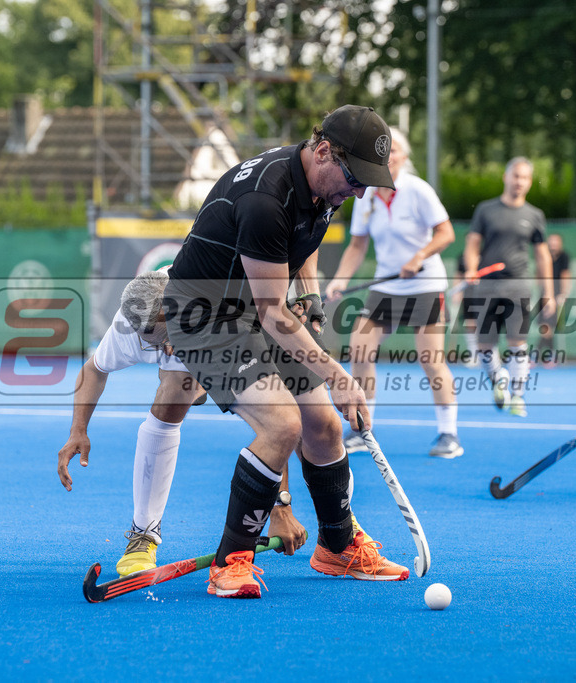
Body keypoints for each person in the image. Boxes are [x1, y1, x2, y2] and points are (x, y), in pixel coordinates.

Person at [163, 104, 409, 599]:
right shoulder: (265, 198)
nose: (359, 191)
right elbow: (274, 313)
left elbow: (306, 238)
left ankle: (337, 548)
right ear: (323, 151)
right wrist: (338, 373)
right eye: (355, 178)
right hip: (206, 314)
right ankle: (233, 559)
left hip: (258, 308)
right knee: (282, 424)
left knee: (324, 425)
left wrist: (311, 296)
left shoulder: (327, 183)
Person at [57, 271, 309, 575]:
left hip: (234, 336)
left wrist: (281, 506)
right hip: (196, 350)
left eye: (171, 336)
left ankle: (342, 526)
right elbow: (94, 369)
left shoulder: (223, 306)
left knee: (309, 421)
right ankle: (143, 534)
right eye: (157, 342)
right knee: (171, 395)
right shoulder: (129, 325)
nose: (167, 346)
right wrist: (78, 429)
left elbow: (277, 426)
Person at [325, 127, 462, 459]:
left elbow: (446, 234)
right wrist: (340, 280)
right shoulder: (367, 195)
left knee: (431, 360)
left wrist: (418, 258)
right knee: (359, 348)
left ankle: (449, 434)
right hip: (386, 288)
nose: (391, 158)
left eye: (397, 151)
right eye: (386, 153)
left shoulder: (418, 190)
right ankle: (362, 428)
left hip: (425, 285)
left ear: (404, 157)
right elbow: (357, 246)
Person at [463, 157, 556, 417]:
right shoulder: (485, 210)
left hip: (518, 288)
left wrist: (548, 292)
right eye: (516, 176)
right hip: (486, 288)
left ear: (529, 182)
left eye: (525, 178)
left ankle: (517, 396)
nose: (519, 182)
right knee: (483, 345)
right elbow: (472, 244)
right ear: (506, 177)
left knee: (518, 343)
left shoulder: (534, 215)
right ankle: (498, 378)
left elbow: (542, 255)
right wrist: (471, 268)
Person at [538, 232, 571, 366]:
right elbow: (539, 274)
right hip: (544, 293)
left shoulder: (564, 257)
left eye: (556, 241)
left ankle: (537, 355)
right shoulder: (544, 256)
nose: (553, 244)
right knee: (545, 327)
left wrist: (563, 294)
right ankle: (550, 355)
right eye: (551, 241)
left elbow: (565, 275)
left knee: (548, 327)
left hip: (556, 293)